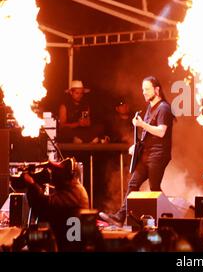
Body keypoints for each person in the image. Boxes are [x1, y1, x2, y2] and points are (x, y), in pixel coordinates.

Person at [99, 76, 175, 226]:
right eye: (143, 90)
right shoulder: (150, 108)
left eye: (147, 89)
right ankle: (120, 217)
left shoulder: (164, 108)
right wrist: (138, 146)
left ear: (157, 89)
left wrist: (141, 124)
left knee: (154, 188)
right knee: (133, 184)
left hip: (158, 155)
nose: (144, 93)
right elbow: (148, 135)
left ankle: (170, 217)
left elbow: (161, 132)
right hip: (146, 154)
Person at [21, 158, 89, 251]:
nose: (53, 174)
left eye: (58, 171)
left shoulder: (75, 193)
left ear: (67, 175)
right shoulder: (71, 188)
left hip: (71, 247)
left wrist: (32, 185)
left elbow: (44, 207)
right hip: (66, 243)